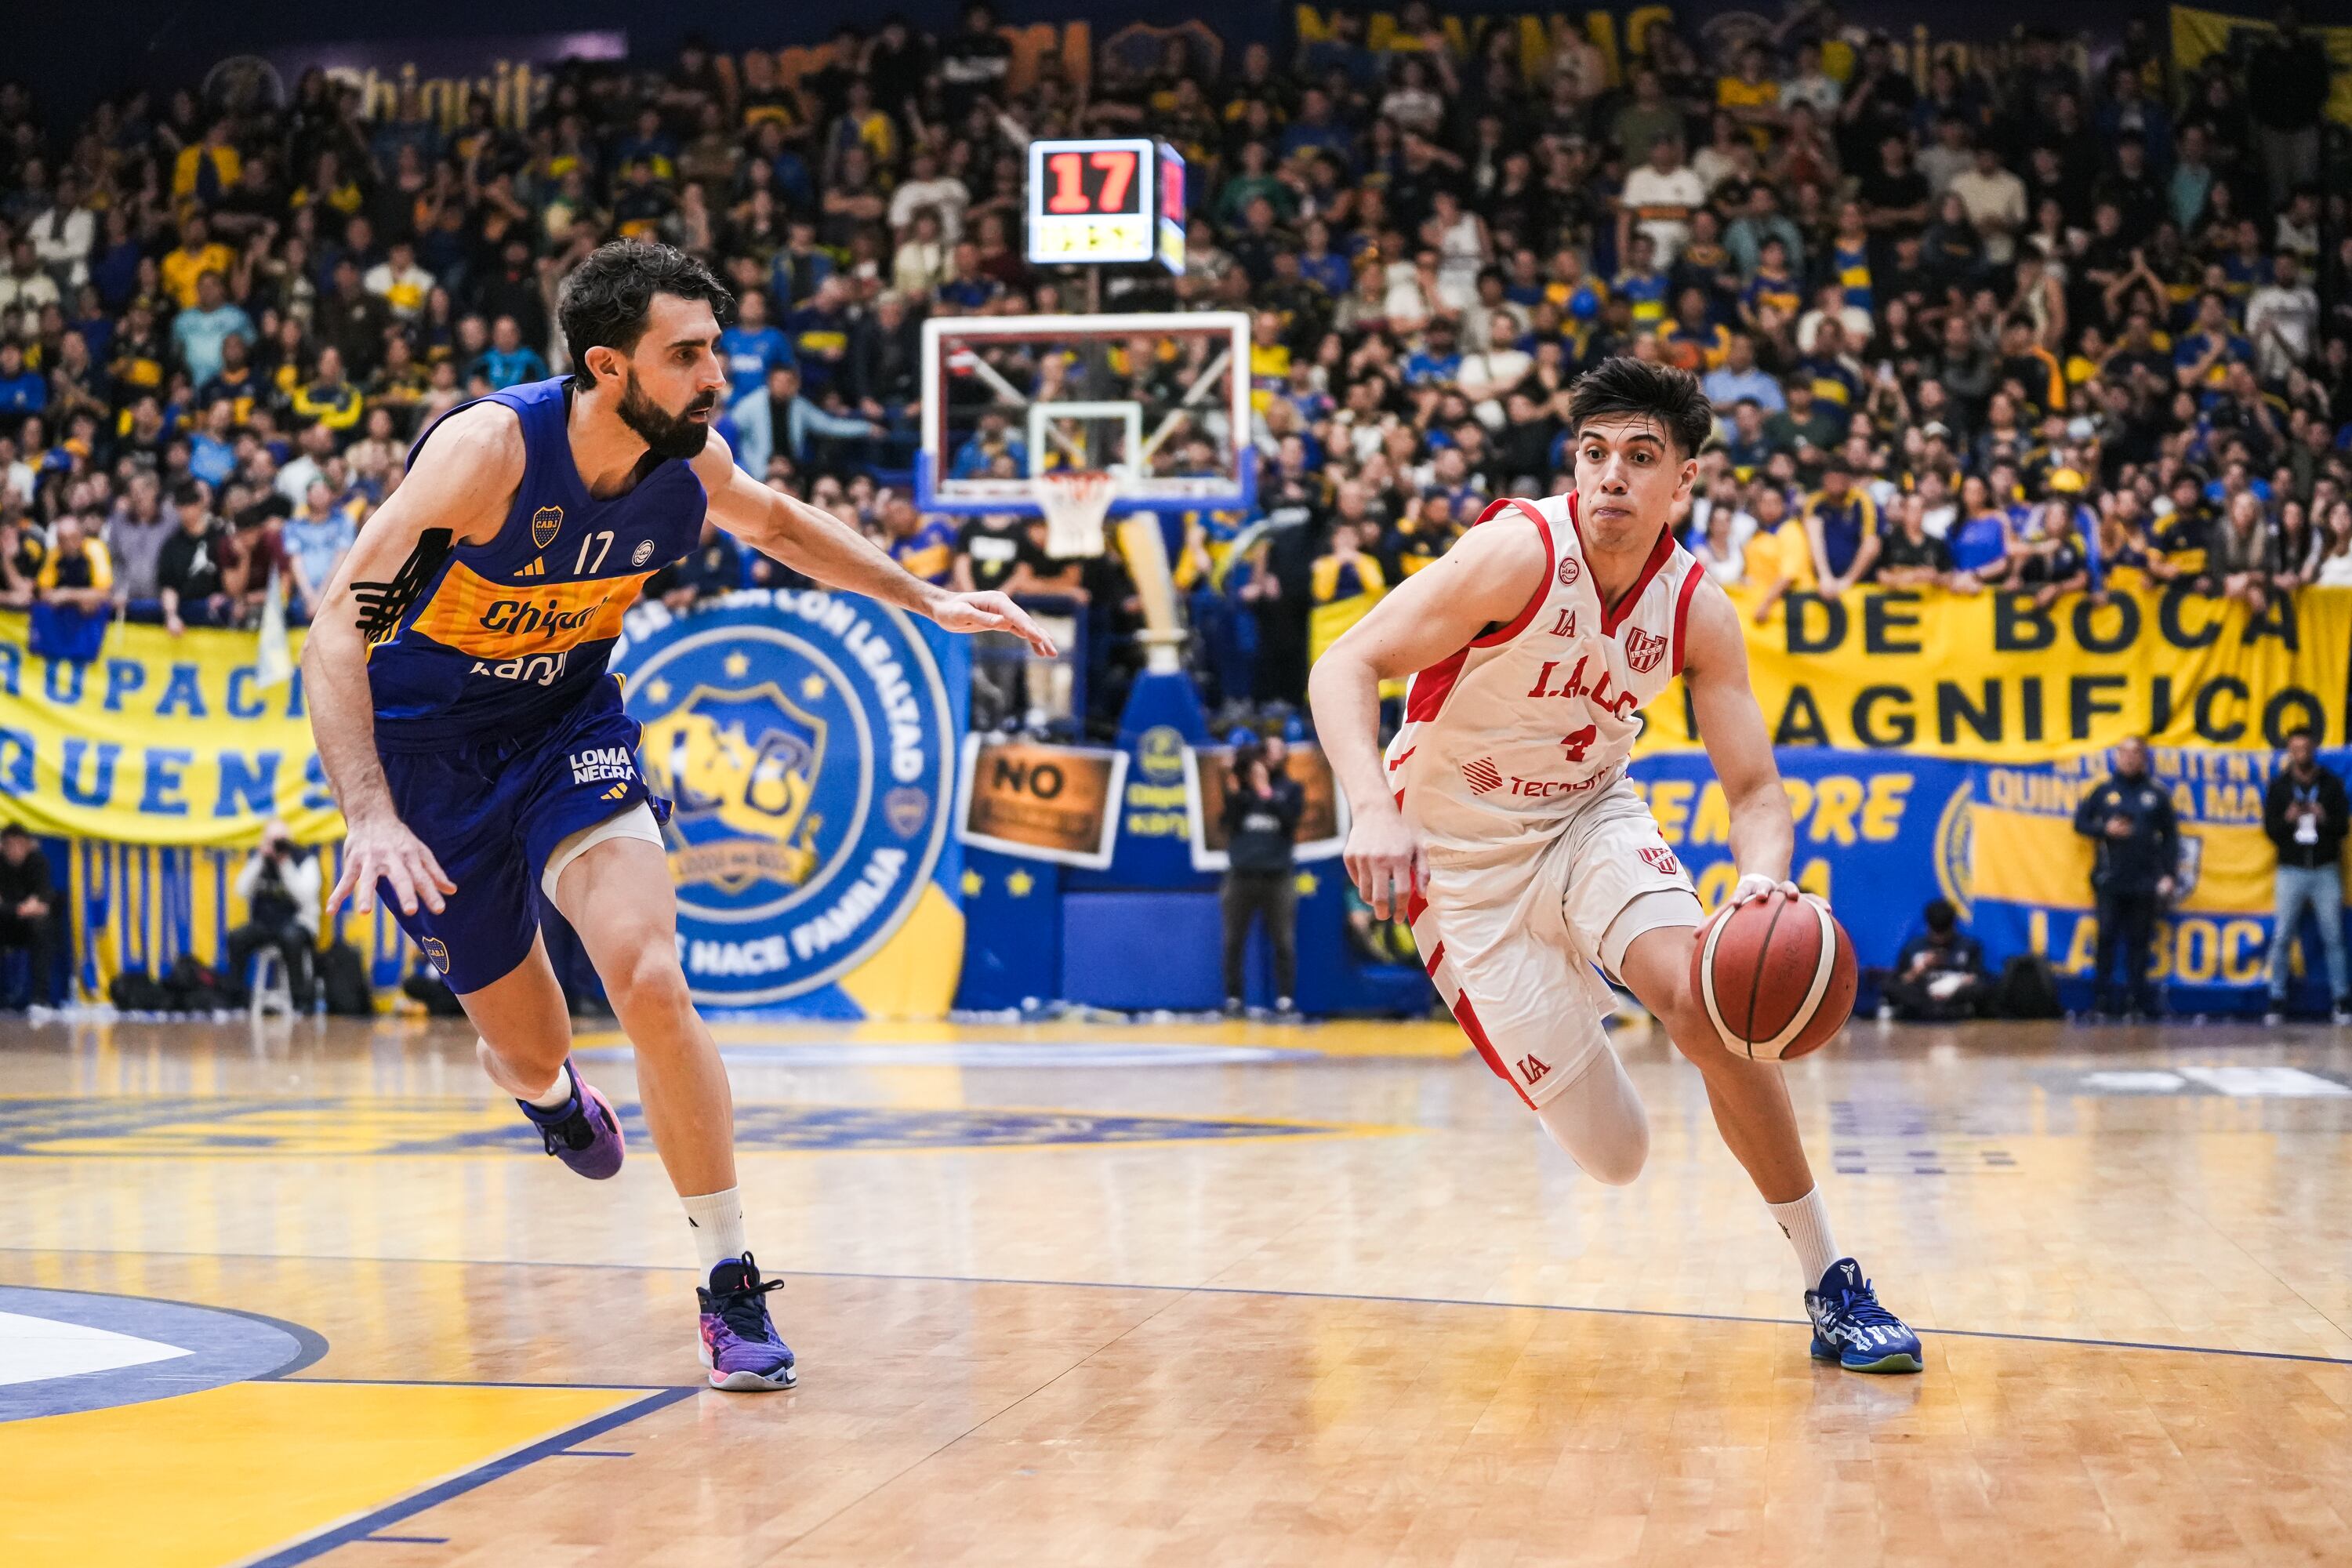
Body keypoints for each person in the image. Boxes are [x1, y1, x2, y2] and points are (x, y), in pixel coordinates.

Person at [300, 241, 1054, 1392]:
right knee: (526, 1043)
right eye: (688, 355)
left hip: (565, 731)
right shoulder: (487, 454)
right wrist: (369, 814)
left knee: (648, 975)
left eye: (716, 350)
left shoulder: (688, 459)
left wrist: (927, 596)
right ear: (608, 366)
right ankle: (553, 1098)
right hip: (427, 761)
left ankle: (729, 1279)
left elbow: (782, 525)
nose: (717, 377)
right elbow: (337, 626)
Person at [1308, 358, 1922, 1373]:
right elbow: (1347, 663)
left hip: (1591, 815)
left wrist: (1762, 880)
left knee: (1706, 998)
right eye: (1595, 455)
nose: (1611, 479)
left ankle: (1829, 1283)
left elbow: (1758, 795)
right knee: (1618, 1157)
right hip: (1459, 864)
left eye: (1642, 459)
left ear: (1684, 482)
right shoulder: (1515, 554)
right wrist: (1370, 805)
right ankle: (1549, 1005)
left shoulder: (1696, 609)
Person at [2071, 736, 2179, 1019]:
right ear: (2117, 757)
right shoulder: (2103, 791)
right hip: (2109, 880)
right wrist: (2104, 830)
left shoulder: (2156, 794)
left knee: (2139, 943)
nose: (2130, 759)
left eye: (2136, 754)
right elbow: (2080, 823)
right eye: (2125, 753)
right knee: (2105, 938)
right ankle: (2101, 1002)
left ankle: (2136, 1003)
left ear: (2144, 758)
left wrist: (2169, 874)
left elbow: (2171, 838)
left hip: (2144, 881)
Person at [2260, 728, 2350, 1024]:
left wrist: (2324, 818)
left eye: (2306, 748)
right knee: (2283, 936)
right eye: (2295, 749)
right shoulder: (2280, 785)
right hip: (2291, 870)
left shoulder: (2331, 783)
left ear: (2314, 749)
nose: (2301, 753)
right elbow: (2271, 831)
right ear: (2289, 751)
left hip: (2324, 870)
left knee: (2334, 936)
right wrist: (2287, 821)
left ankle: (2341, 999)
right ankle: (2276, 998)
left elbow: (2342, 829)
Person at [1220, 735, 1305, 1018]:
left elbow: (1290, 822)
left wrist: (1265, 790)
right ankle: (1233, 999)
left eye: (1279, 748)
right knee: (1233, 941)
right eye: (1267, 749)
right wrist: (1234, 789)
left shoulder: (1290, 789)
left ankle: (1285, 999)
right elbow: (1228, 823)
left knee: (1284, 941)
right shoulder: (1239, 792)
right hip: (1241, 875)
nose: (1272, 754)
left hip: (1277, 875)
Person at [225, 818, 323, 1007]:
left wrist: (284, 864)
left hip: (298, 923)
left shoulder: (305, 860)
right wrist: (260, 859)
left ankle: (300, 1000)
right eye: (272, 841)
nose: (277, 846)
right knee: (236, 938)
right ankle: (235, 999)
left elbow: (305, 897)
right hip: (266, 924)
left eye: (281, 841)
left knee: (291, 938)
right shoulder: (261, 862)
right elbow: (241, 890)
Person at [1871, 900, 1991, 1021]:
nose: (1940, 939)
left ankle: (1950, 1010)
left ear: (1953, 926)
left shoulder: (1969, 946)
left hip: (1954, 994)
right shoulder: (1914, 947)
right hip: (1923, 993)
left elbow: (1977, 977)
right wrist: (1920, 968)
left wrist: (1957, 983)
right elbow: (1901, 980)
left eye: (1944, 933)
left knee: (1983, 988)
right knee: (1889, 987)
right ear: (1928, 926)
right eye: (1936, 932)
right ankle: (1935, 1010)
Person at [0, 823, 57, 1009]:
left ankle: (40, 999)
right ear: (2, 846)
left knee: (41, 926)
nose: (15, 850)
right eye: (10, 845)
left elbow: (43, 904)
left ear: (28, 845)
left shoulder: (38, 862)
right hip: (6, 922)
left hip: (28, 925)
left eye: (20, 845)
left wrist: (17, 908)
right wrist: (21, 908)